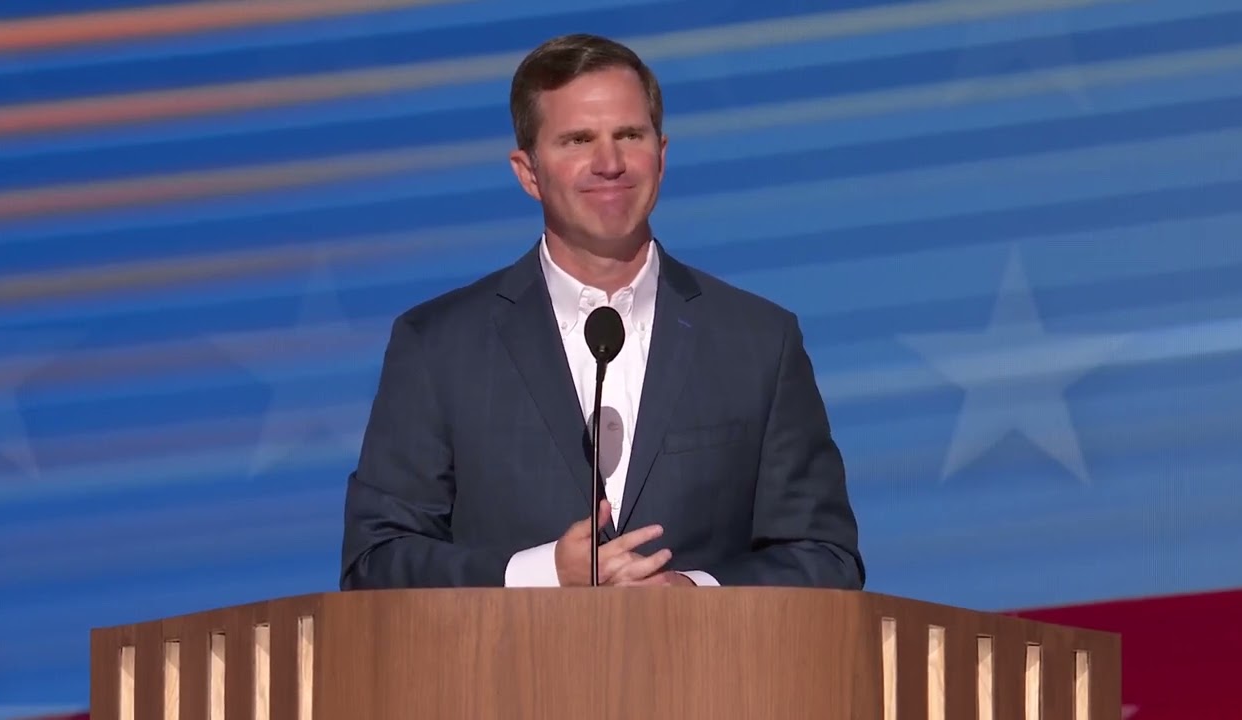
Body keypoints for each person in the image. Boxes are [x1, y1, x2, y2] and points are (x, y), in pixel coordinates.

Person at [339, 33, 864, 589]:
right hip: (506, 673)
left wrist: (694, 594)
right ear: (528, 172)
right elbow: (376, 562)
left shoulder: (759, 341)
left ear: (661, 156)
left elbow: (825, 558)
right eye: (577, 140)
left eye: (629, 135)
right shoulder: (438, 346)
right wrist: (542, 574)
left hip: (708, 672)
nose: (608, 162)